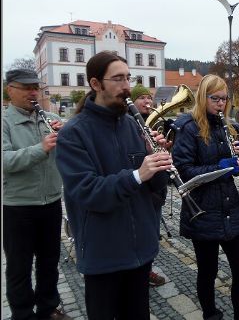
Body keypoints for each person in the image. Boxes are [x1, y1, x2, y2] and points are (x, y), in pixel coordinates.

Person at [55, 51, 173, 320]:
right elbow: (87, 192)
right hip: (103, 254)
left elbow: (156, 189)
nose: (126, 86)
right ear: (96, 84)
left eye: (128, 78)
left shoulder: (133, 125)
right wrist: (137, 174)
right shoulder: (73, 133)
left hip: (141, 251)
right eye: (118, 79)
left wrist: (160, 162)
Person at [171, 74, 239, 320]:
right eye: (215, 98)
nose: (220, 104)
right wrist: (221, 167)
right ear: (202, 97)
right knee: (208, 270)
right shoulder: (188, 128)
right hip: (203, 209)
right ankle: (210, 314)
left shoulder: (230, 126)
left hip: (230, 206)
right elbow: (183, 170)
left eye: (224, 99)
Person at [3, 69, 71, 320]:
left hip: (50, 200)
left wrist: (65, 137)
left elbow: (69, 154)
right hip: (18, 205)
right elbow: (6, 161)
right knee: (19, 265)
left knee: (49, 260)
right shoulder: (4, 122)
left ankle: (48, 307)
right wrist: (40, 148)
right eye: (26, 88)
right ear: (10, 89)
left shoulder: (49, 117)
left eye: (36, 88)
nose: (33, 93)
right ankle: (21, 313)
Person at [130, 84, 168, 287]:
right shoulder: (130, 123)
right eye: (142, 98)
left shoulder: (154, 121)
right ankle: (139, 272)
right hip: (140, 185)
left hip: (157, 185)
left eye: (149, 98)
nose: (147, 102)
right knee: (141, 233)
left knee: (152, 232)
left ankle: (148, 269)